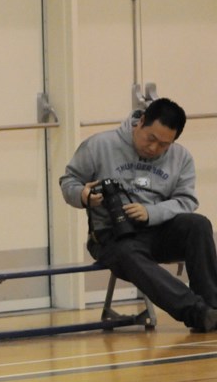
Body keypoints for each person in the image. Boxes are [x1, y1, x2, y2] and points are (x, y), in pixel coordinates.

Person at [60, 97, 217, 332]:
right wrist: (83, 195)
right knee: (127, 252)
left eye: (164, 144)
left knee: (199, 225)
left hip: (159, 230)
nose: (154, 148)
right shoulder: (99, 145)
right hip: (112, 236)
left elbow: (187, 200)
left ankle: (213, 306)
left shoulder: (181, 157)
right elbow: (68, 181)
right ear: (141, 121)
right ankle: (198, 313)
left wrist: (151, 212)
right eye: (151, 138)